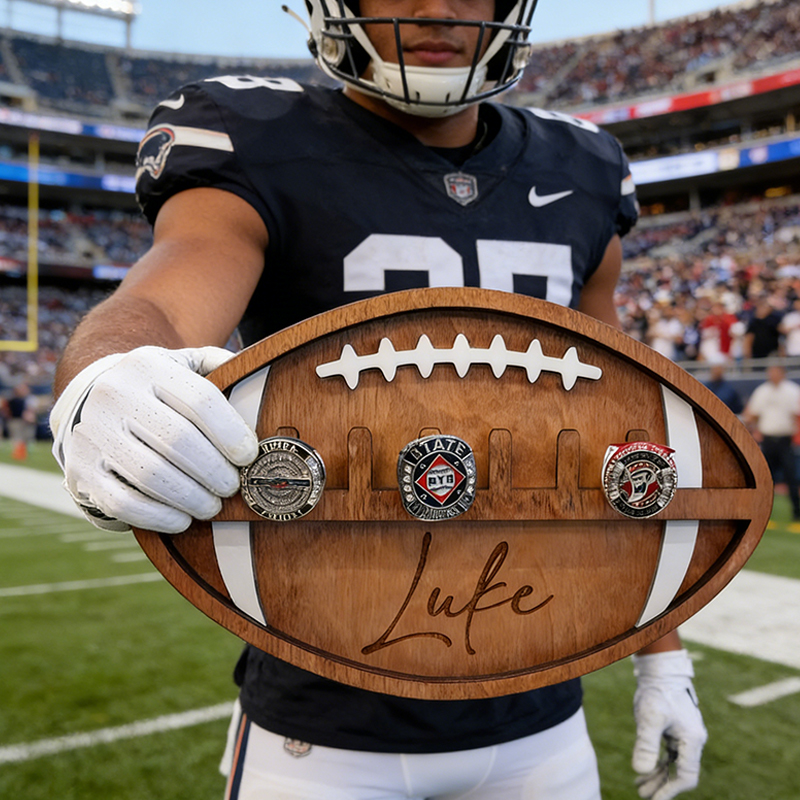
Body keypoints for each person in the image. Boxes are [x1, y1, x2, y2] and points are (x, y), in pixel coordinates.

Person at [49, 2, 706, 799]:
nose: (437, 6)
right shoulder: (260, 135)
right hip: (321, 715)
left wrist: (664, 653)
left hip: (542, 706)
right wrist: (104, 374)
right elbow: (165, 295)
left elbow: (630, 439)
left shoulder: (582, 166)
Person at [744, 363, 800, 519]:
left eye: (775, 372)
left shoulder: (792, 391)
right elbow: (752, 414)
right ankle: (761, 511)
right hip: (767, 439)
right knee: (765, 478)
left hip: (785, 440)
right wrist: (753, 431)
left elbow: (796, 416)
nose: (773, 375)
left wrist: (796, 437)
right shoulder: (762, 391)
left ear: (782, 373)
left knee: (791, 476)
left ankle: (796, 511)